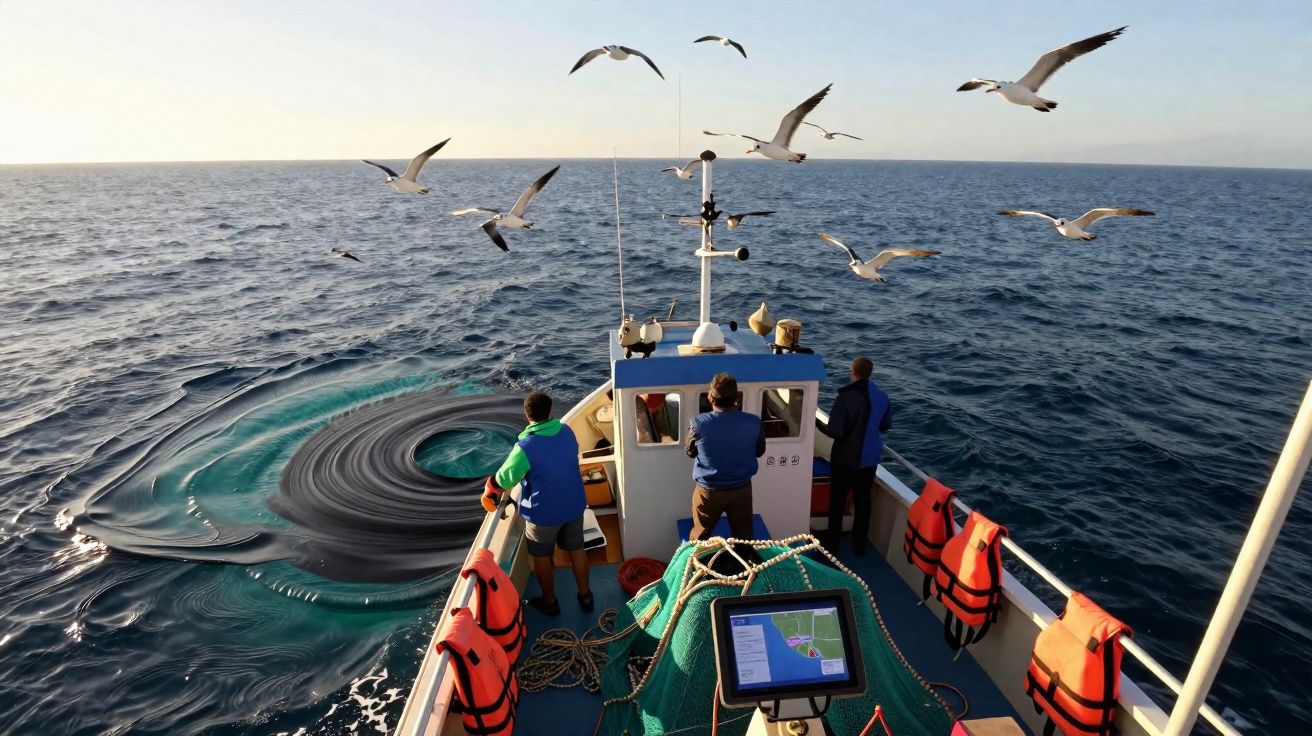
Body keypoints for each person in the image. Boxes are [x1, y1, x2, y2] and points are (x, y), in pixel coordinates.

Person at [487, 391, 590, 616]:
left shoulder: (525, 447)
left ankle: (550, 602)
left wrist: (490, 485)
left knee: (541, 556)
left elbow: (503, 479)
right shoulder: (567, 431)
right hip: (574, 505)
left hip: (544, 514)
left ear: (527, 415)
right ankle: (586, 595)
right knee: (577, 549)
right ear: (550, 411)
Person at [684, 373, 766, 540]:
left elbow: (690, 452)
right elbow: (759, 451)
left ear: (711, 397)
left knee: (700, 537)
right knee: (744, 537)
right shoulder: (754, 422)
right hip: (741, 490)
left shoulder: (697, 423)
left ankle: (698, 564)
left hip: (708, 492)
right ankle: (745, 563)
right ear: (736, 397)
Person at [823, 356, 892, 555]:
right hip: (868, 462)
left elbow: (834, 430)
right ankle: (859, 545)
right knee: (863, 503)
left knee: (837, 502)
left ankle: (832, 546)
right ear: (869, 374)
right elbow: (886, 425)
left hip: (844, 461)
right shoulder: (882, 397)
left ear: (852, 372)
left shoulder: (845, 398)